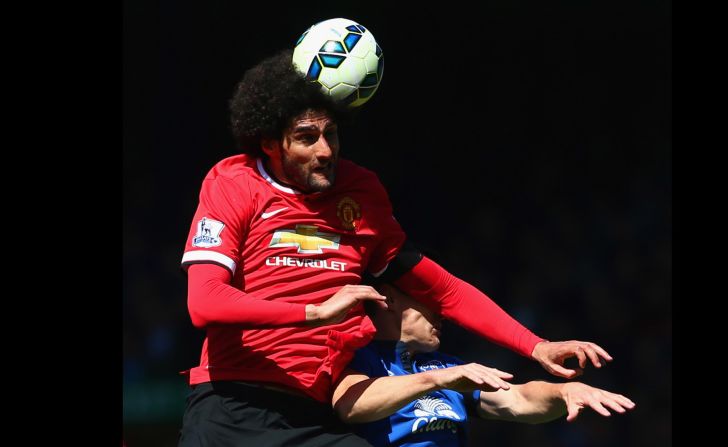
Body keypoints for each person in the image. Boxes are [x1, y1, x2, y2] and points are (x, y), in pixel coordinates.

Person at [177, 48, 613, 446]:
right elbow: (205, 302)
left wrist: (536, 346)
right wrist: (316, 312)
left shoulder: (360, 192)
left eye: (332, 134)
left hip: (313, 414)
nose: (325, 150)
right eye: (307, 137)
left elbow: (446, 291)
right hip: (230, 403)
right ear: (271, 143)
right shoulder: (234, 182)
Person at [332, 283, 636, 446]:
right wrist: (439, 380)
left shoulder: (444, 364)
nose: (443, 314)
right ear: (390, 298)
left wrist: (564, 393)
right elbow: (350, 404)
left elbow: (518, 399)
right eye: (432, 303)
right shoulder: (359, 355)